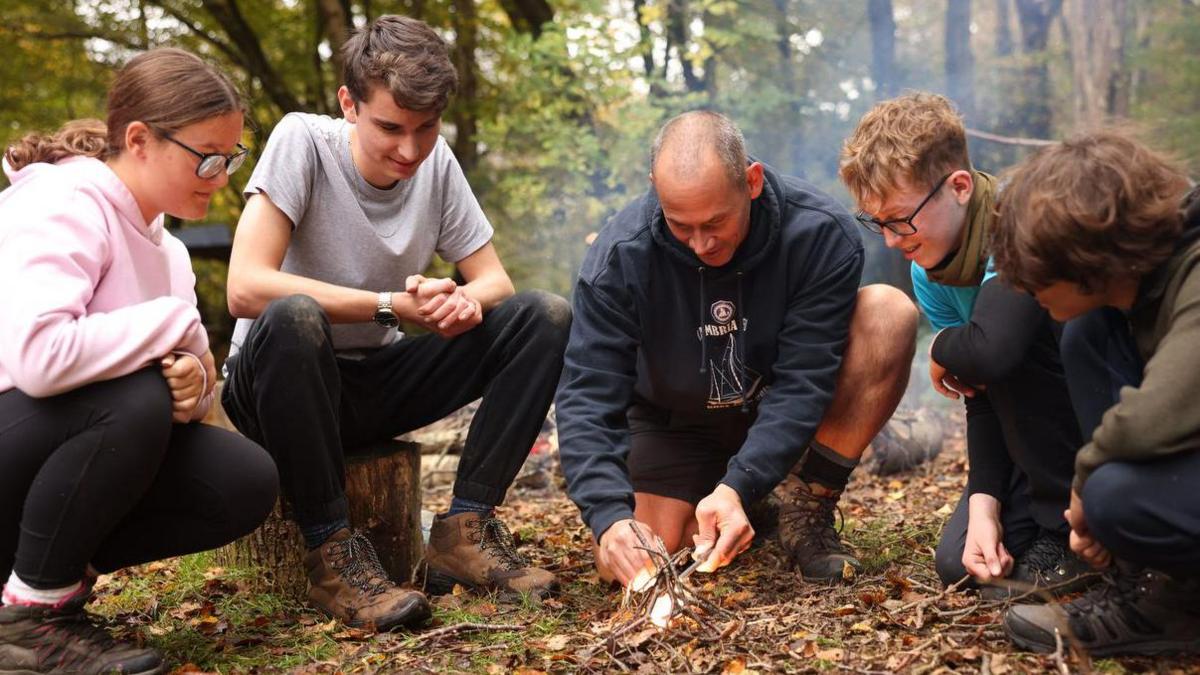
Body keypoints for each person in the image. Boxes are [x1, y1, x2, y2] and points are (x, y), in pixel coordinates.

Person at [222, 15, 570, 630]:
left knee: (543, 317)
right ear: (349, 104)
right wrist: (388, 303)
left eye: (425, 129)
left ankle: (464, 529)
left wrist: (461, 301)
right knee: (293, 316)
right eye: (390, 128)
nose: (410, 150)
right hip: (277, 388)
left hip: (370, 384)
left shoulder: (437, 166)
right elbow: (245, 286)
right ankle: (331, 553)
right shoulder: (301, 140)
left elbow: (497, 282)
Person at [0, 48, 279, 674]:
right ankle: (28, 620)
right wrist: (175, 332)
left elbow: (168, 389)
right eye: (207, 155)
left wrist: (194, 382)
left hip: (42, 465)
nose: (221, 174)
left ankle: (39, 586)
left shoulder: (170, 252)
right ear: (139, 139)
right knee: (132, 397)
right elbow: (42, 360)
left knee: (243, 478)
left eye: (231, 158)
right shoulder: (61, 203)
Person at [556, 110, 918, 588]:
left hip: (785, 415)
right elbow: (587, 394)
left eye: (715, 222)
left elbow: (804, 380)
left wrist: (741, 479)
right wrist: (607, 516)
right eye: (681, 225)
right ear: (654, 189)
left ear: (751, 181)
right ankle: (748, 504)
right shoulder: (620, 257)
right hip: (677, 426)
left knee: (889, 312)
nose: (701, 244)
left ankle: (806, 503)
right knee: (636, 559)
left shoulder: (818, 233)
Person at [839, 93, 1088, 597]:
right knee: (960, 561)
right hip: (1033, 443)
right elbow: (981, 392)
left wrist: (940, 347)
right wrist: (984, 509)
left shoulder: (1019, 225)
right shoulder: (929, 273)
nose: (890, 239)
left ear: (958, 187)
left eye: (899, 218)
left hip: (1094, 425)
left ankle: (1069, 533)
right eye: (876, 223)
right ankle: (1042, 520)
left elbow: (995, 354)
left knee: (1006, 346)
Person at [990, 129, 1200, 656]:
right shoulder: (1131, 291)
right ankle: (1146, 584)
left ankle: (1175, 612)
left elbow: (1163, 412)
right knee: (1088, 332)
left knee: (1116, 497)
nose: (1025, 291)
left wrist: (1084, 487)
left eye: (1034, 277)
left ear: (1085, 259)